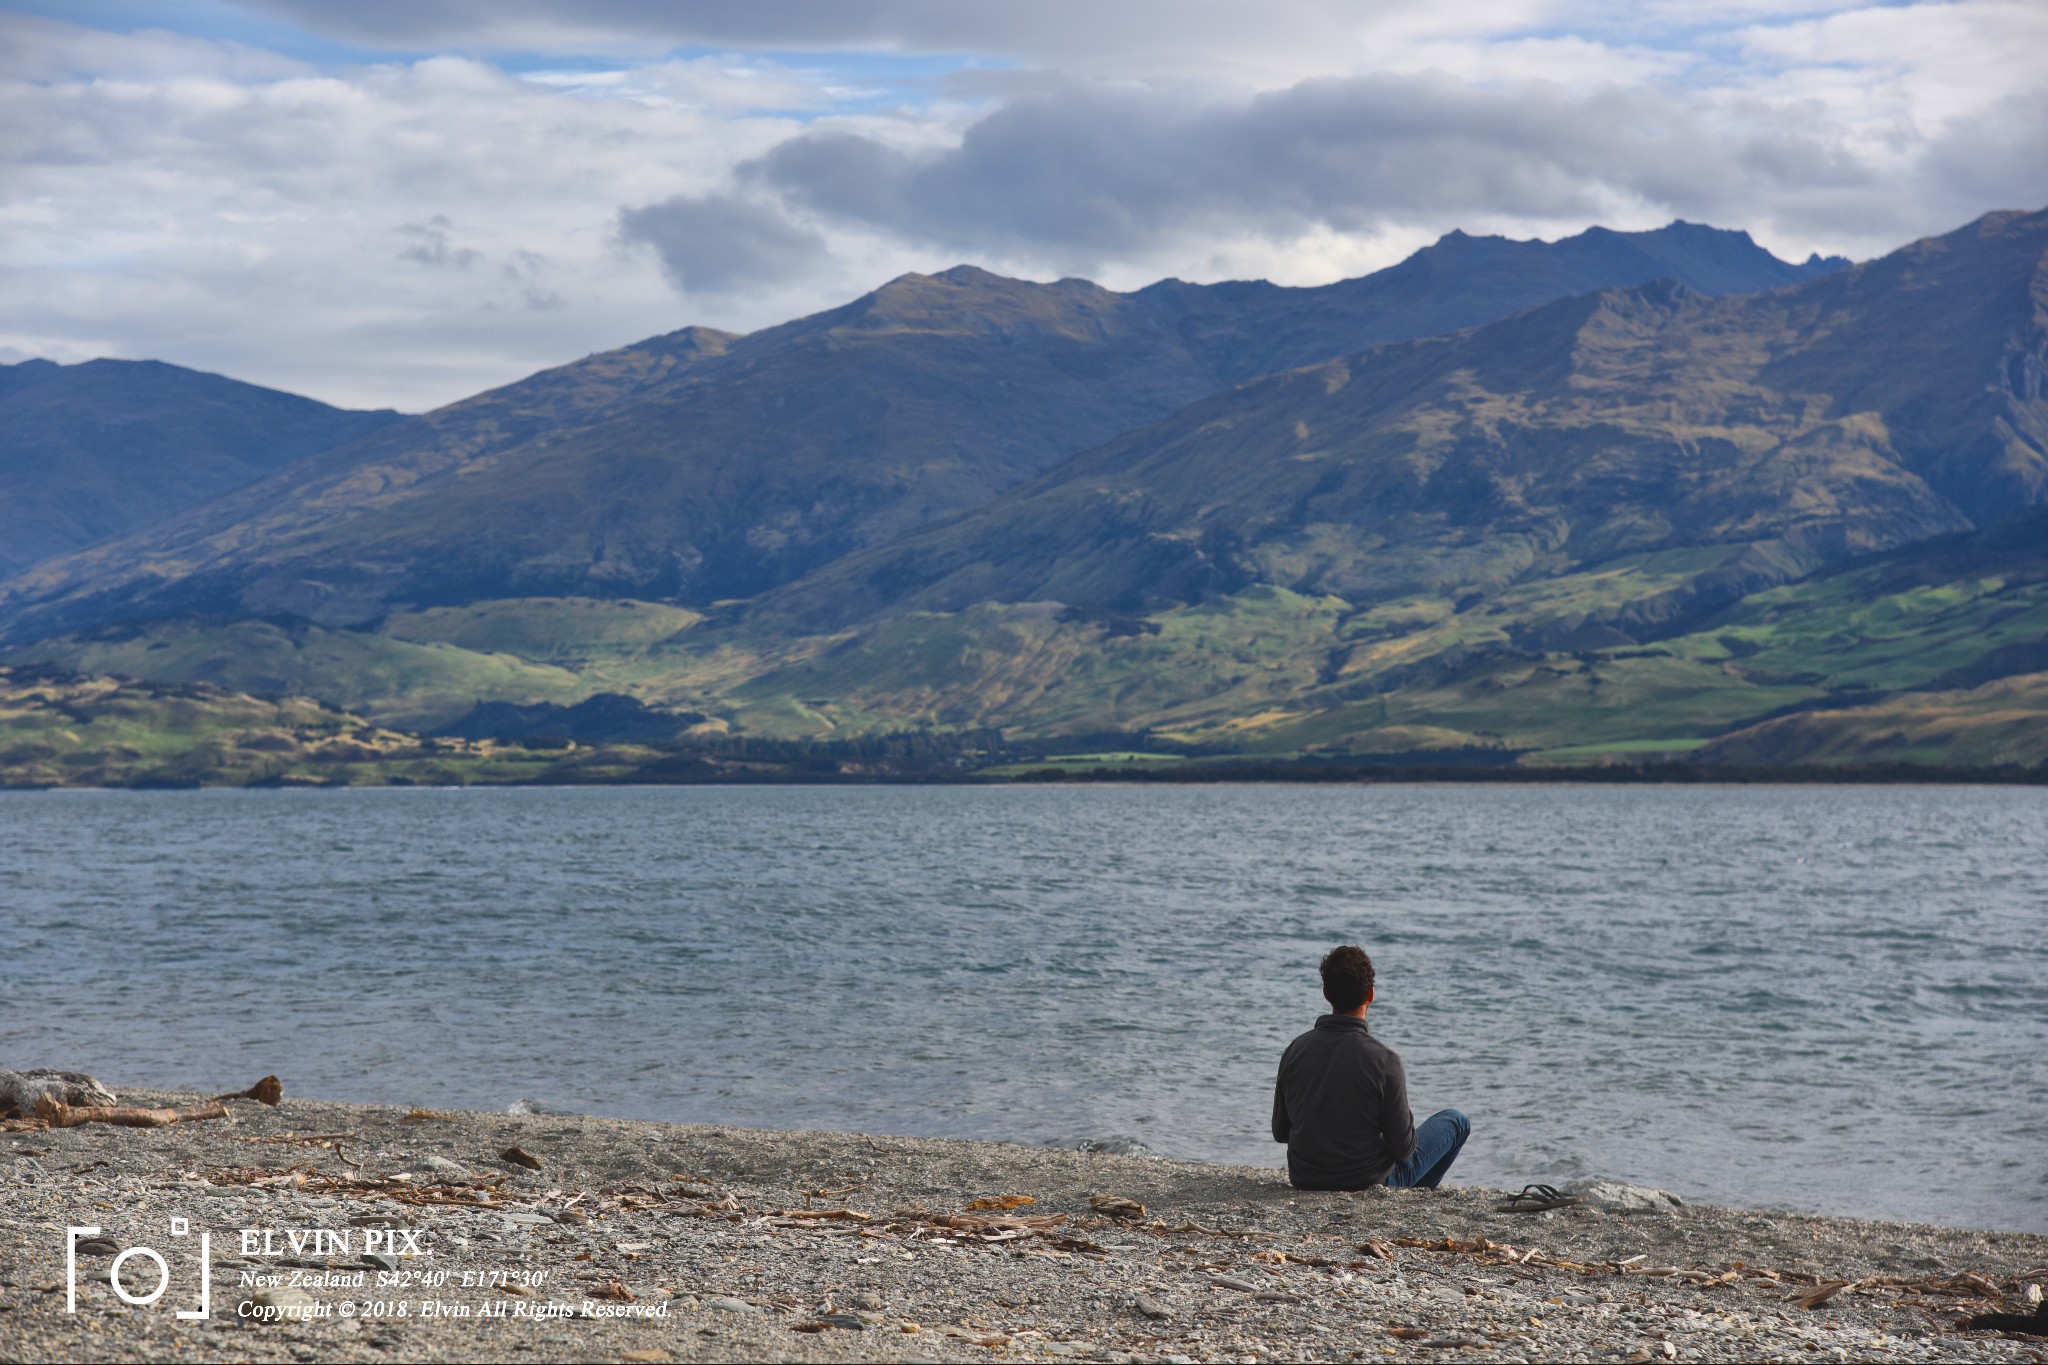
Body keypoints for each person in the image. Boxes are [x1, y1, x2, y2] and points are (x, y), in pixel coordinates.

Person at [1272, 945, 1470, 1191]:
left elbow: (1281, 1132)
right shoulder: (1385, 1062)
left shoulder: (1295, 1050)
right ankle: (1415, 1195)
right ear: (1371, 994)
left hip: (1306, 1178)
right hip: (1366, 1181)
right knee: (1457, 1121)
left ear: (1326, 993)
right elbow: (1404, 1149)